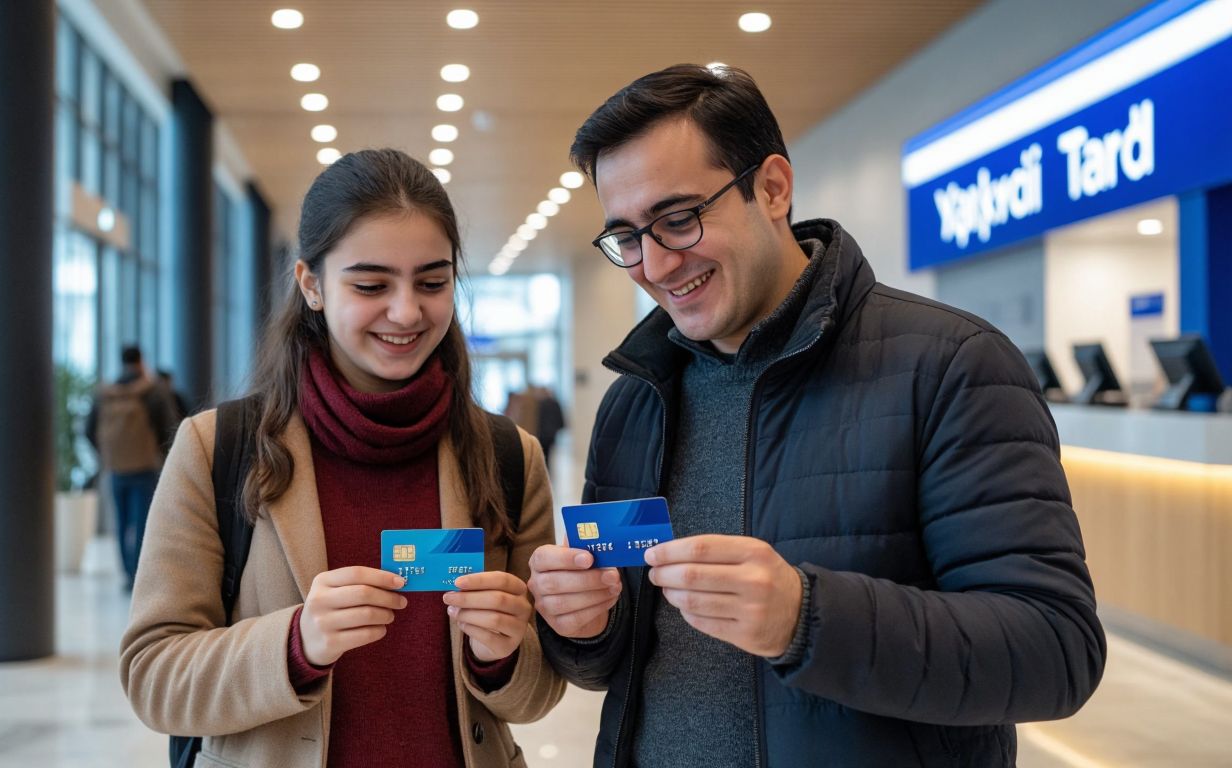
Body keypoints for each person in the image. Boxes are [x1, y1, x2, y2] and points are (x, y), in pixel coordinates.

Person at [527, 65, 1105, 768]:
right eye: (627, 237)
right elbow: (618, 660)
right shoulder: (636, 399)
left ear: (772, 188)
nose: (653, 263)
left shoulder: (953, 365)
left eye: (678, 220)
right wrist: (581, 628)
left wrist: (806, 618)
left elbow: (1055, 649)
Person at [121, 149, 564, 767]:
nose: (407, 312)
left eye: (432, 282)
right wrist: (296, 644)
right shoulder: (217, 448)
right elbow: (152, 676)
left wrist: (503, 655)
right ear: (311, 285)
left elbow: (539, 691)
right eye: (371, 285)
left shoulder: (509, 456)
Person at [86, 344, 180, 589]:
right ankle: (138, 575)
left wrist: (106, 455)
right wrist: (160, 454)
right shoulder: (153, 391)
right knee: (142, 522)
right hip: (145, 467)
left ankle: (127, 572)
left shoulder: (106, 393)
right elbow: (169, 427)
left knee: (122, 520)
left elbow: (88, 429)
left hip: (116, 468)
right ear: (141, 361)